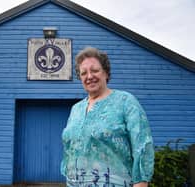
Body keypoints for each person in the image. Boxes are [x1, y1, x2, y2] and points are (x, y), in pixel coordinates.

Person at [61, 47, 154, 187]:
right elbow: (69, 151)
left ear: (106, 72)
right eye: (83, 73)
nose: (89, 76)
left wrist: (141, 183)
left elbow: (142, 146)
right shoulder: (76, 109)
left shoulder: (125, 102)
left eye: (95, 70)